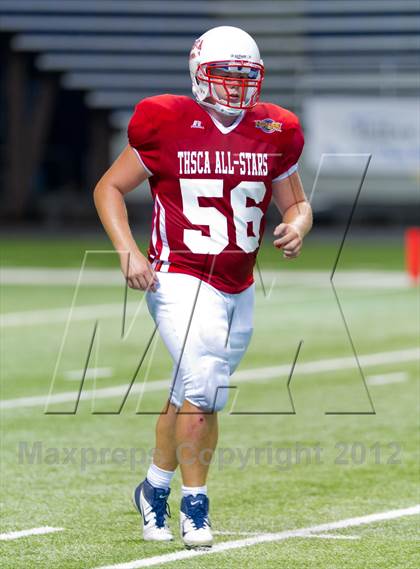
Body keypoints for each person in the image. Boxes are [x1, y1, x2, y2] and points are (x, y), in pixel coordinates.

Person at [94, 25, 313, 549]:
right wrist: (127, 250)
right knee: (205, 389)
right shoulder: (167, 121)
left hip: (238, 283)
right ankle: (195, 505)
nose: (237, 86)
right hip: (178, 275)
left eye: (246, 75)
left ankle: (154, 488)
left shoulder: (273, 128)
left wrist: (298, 226)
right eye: (225, 74)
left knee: (189, 390)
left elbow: (297, 204)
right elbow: (109, 187)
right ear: (199, 74)